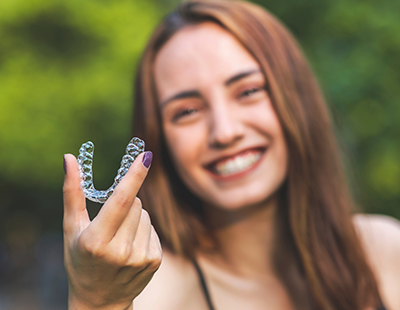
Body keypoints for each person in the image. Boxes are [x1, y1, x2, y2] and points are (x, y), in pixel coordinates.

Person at [62, 0, 400, 309]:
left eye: (249, 91)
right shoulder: (148, 294)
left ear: (298, 98)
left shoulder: (383, 252)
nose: (225, 132)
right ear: (159, 140)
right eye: (187, 111)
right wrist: (95, 303)